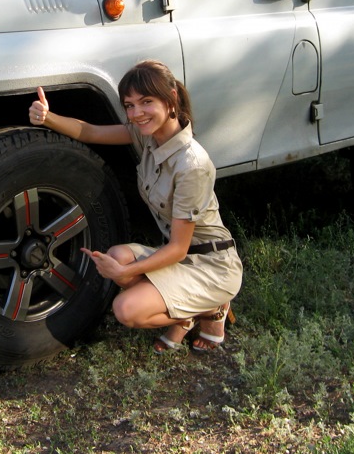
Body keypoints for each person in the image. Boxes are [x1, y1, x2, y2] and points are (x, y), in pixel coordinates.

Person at [28, 60, 243, 353]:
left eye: (146, 102)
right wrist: (48, 117)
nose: (136, 113)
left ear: (171, 99)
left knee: (126, 309)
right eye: (129, 105)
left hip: (211, 264)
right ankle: (188, 309)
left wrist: (127, 274)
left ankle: (207, 309)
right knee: (118, 256)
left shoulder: (192, 164)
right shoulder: (147, 138)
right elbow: (89, 132)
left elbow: (179, 248)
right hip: (180, 258)